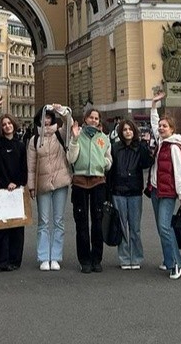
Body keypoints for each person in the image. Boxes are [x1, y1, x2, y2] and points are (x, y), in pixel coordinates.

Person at [26, 103, 73, 271]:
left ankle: (56, 256)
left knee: (59, 221)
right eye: (43, 117)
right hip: (42, 184)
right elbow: (31, 165)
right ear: (38, 120)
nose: (45, 120)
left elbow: (69, 123)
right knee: (44, 221)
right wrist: (31, 186)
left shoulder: (60, 134)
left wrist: (61, 111)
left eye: (48, 117)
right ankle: (44, 256)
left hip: (60, 181)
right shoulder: (35, 140)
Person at [68, 107, 112, 273]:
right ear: (85, 119)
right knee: (82, 222)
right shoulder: (77, 136)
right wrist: (74, 139)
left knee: (98, 221)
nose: (94, 120)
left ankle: (97, 259)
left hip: (98, 181)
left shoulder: (104, 138)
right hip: (80, 182)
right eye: (91, 118)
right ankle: (84, 259)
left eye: (96, 118)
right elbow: (71, 158)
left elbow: (109, 159)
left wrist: (103, 163)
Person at [0, 96, 28, 272]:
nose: (6, 126)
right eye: (4, 125)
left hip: (14, 189)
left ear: (14, 125)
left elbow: (23, 168)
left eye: (9, 124)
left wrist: (17, 183)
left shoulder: (20, 145)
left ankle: (14, 260)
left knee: (16, 227)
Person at [149, 91, 181, 280]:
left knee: (165, 227)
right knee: (161, 227)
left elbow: (179, 172)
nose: (161, 128)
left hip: (168, 192)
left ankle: (176, 263)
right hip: (156, 190)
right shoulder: (161, 142)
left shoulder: (173, 146)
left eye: (165, 126)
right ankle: (167, 259)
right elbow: (153, 120)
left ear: (172, 129)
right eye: (160, 126)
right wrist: (154, 104)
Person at [109, 118, 154, 270]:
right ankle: (124, 258)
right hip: (118, 191)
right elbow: (110, 170)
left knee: (135, 227)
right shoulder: (115, 148)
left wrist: (145, 147)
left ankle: (136, 257)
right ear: (121, 132)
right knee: (121, 226)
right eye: (124, 129)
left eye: (130, 129)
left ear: (134, 131)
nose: (127, 132)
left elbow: (147, 163)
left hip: (135, 192)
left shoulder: (140, 147)